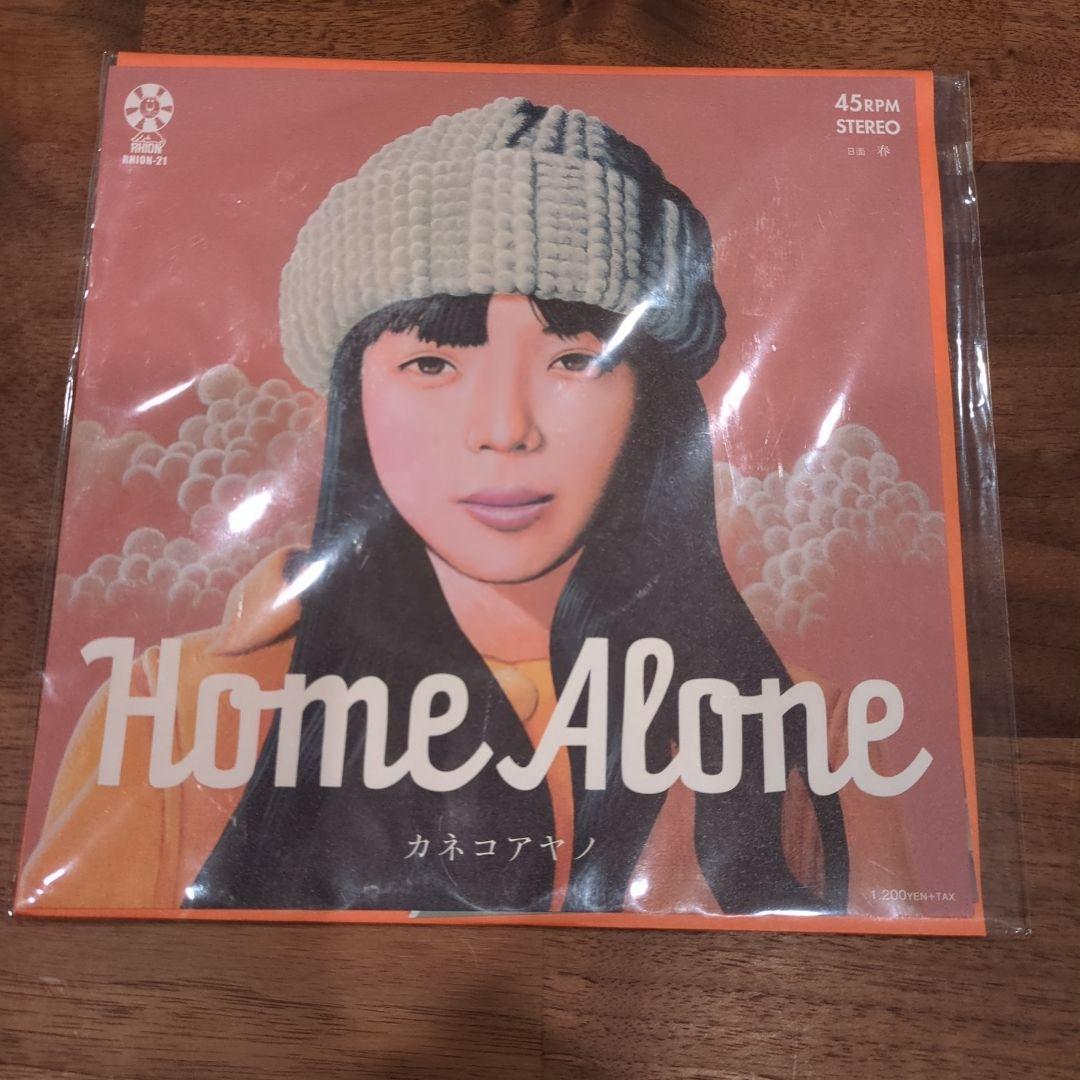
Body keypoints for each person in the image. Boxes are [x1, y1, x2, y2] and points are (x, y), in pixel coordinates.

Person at [20, 98, 911, 917]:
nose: (504, 430)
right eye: (432, 363)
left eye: (575, 361)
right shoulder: (175, 714)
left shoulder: (807, 735)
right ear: (355, 401)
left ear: (652, 399)